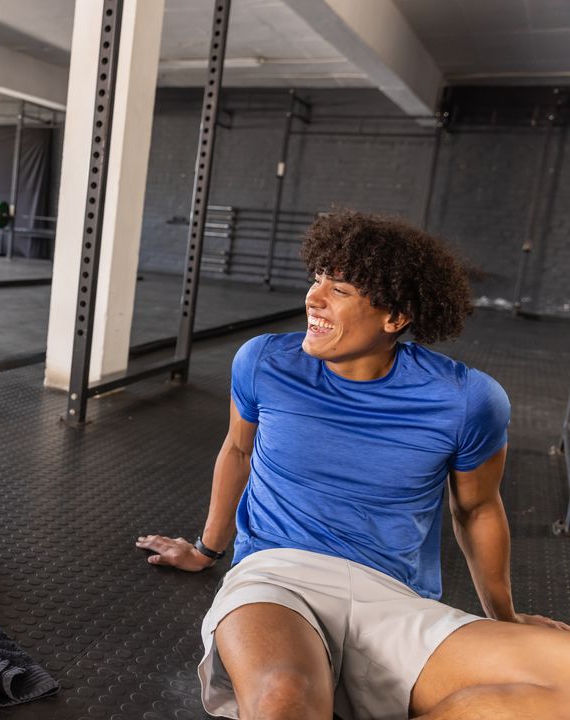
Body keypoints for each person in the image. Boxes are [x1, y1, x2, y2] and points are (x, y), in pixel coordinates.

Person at [136, 211, 570, 720]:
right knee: (283, 698)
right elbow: (237, 451)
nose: (313, 298)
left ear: (395, 317)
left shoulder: (467, 400)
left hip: (393, 598)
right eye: (317, 279)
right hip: (276, 577)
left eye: (339, 289)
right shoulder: (264, 362)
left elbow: (477, 509)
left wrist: (506, 617)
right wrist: (208, 550)